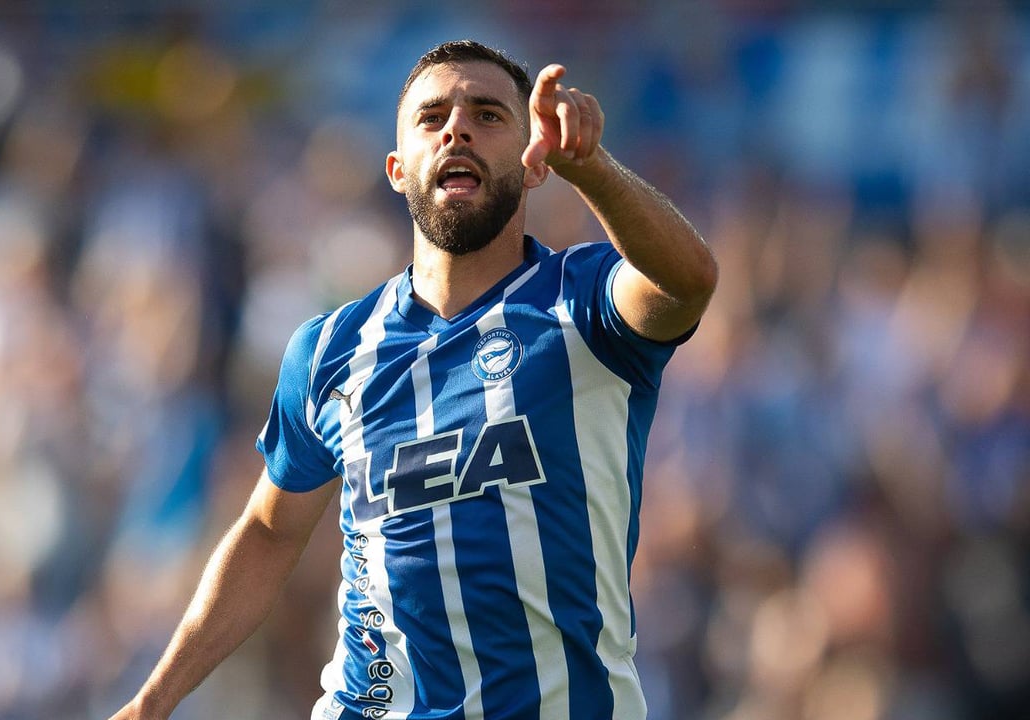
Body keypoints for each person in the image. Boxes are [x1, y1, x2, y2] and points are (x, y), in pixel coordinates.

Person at [109, 39, 717, 720]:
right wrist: (152, 702)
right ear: (398, 170)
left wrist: (593, 170)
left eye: (488, 115)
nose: (457, 129)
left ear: (534, 160)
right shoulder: (329, 349)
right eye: (432, 118)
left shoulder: (583, 300)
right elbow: (270, 533)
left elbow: (688, 281)